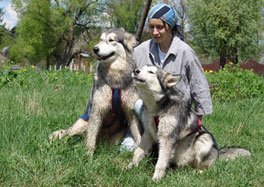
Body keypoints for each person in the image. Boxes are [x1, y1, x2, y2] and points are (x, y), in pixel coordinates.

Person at [120, 3, 212, 151]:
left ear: (170, 26)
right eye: (151, 27)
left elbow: (199, 86)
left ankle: (160, 144)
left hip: (175, 114)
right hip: (149, 111)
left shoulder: (185, 52)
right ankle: (138, 134)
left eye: (160, 27)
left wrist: (197, 125)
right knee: (127, 146)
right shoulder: (142, 49)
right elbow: (122, 66)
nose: (155, 32)